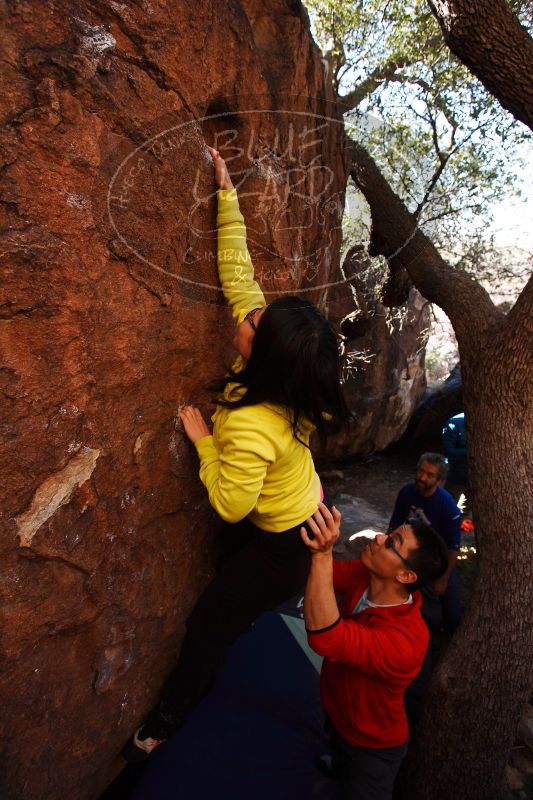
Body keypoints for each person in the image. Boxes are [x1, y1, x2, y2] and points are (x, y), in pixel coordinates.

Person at [123, 147, 347, 760]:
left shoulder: (250, 423)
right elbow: (238, 273)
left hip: (286, 540)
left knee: (210, 623)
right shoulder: (278, 376)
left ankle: (168, 718)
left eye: (256, 324)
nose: (247, 315)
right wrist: (227, 194)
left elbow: (229, 502)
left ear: (260, 356)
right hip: (293, 502)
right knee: (232, 567)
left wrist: (203, 441)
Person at [301, 504, 448, 800]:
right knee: (340, 751)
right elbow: (331, 577)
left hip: (372, 747)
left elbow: (326, 638)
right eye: (390, 534)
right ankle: (339, 764)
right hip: (339, 713)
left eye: (392, 543)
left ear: (406, 576)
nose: (380, 537)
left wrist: (322, 554)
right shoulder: (368, 574)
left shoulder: (405, 642)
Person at [388, 453, 463, 633]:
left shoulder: (447, 506)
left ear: (438, 480)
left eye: (429, 475)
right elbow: (395, 524)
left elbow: (453, 548)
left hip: (437, 559)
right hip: (409, 553)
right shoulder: (407, 492)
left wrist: (443, 578)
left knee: (452, 614)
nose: (422, 477)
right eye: (421, 471)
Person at [441, 412, 469, 512]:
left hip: (479, 479)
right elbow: (449, 451)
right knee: (445, 508)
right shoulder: (454, 423)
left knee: (465, 512)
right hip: (457, 476)